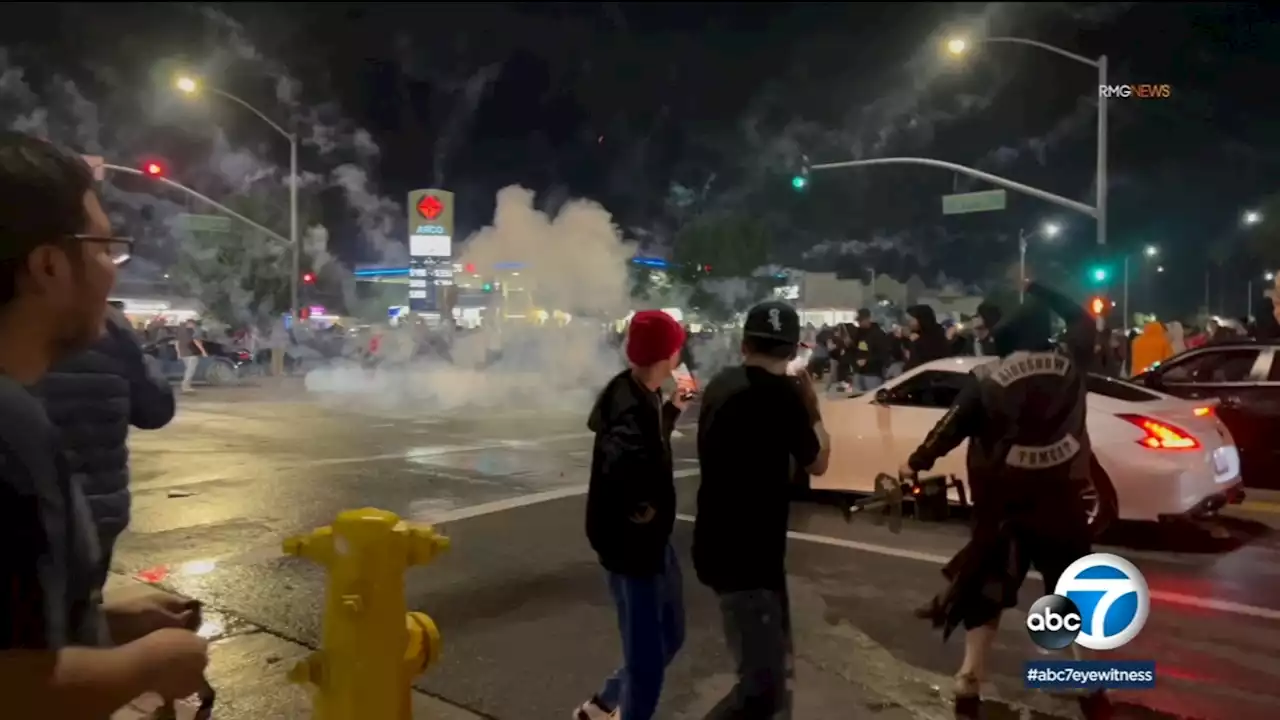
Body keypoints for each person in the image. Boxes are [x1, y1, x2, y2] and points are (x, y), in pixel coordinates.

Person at [0, 132, 209, 718]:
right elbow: (15, 687)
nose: (112, 272)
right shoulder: (10, 430)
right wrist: (148, 665)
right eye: (102, 249)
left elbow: (16, 632)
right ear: (47, 266)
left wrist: (105, 620)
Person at [901, 280, 1106, 719]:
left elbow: (951, 426)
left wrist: (916, 462)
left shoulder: (986, 379)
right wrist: (1046, 290)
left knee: (987, 592)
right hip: (1061, 500)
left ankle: (969, 678)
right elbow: (1084, 320)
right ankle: (1088, 682)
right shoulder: (1071, 362)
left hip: (1002, 505)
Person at [693, 301, 831, 720]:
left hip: (718, 543)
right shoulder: (785, 398)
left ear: (744, 343)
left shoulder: (720, 384)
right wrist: (812, 407)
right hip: (750, 559)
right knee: (762, 690)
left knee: (772, 672)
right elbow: (819, 461)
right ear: (792, 352)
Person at [578, 310, 694, 720]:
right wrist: (643, 509)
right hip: (632, 548)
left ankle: (606, 701)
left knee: (672, 634)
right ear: (669, 351)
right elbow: (624, 460)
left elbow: (641, 443)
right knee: (646, 663)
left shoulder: (639, 391)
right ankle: (620, 708)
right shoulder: (629, 403)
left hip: (647, 543)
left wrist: (673, 410)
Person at [33, 300, 176, 594]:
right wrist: (142, 361)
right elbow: (155, 410)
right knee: (79, 613)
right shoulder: (110, 324)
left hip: (27, 513)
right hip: (95, 513)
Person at [848, 308, 890, 391]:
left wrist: (867, 360)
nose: (859, 323)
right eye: (858, 321)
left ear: (868, 319)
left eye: (861, 320)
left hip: (873, 373)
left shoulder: (878, 334)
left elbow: (883, 354)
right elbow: (855, 350)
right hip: (858, 372)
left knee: (871, 397)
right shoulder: (858, 333)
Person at [903, 304, 951, 370]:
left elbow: (920, 360)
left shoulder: (935, 336)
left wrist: (915, 342)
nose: (908, 323)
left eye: (911, 320)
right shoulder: (916, 334)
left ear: (921, 319)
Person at [175, 318, 206, 393]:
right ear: (191, 324)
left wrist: (178, 353)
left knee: (188, 369)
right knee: (190, 370)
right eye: (193, 325)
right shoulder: (191, 331)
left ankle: (186, 385)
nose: (194, 326)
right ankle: (185, 385)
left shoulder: (180, 331)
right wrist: (203, 351)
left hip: (183, 354)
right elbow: (196, 341)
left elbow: (176, 343)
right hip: (191, 353)